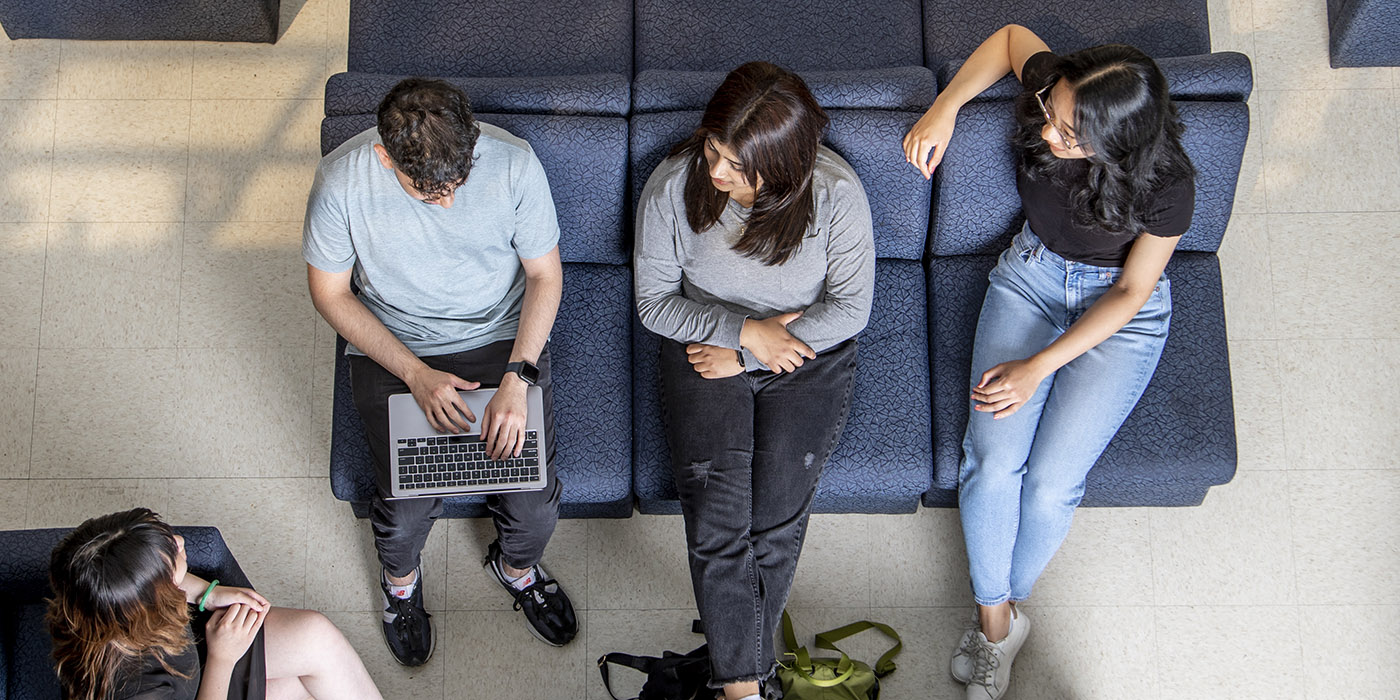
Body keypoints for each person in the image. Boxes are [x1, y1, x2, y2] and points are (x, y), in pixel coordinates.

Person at [904, 25, 1195, 700]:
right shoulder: (1050, 91)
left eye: (1068, 132)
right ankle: (996, 625)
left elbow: (1131, 292)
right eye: (1049, 113)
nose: (1045, 131)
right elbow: (1008, 37)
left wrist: (1038, 367)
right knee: (992, 462)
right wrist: (945, 105)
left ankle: (1001, 612)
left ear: (1116, 148)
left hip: (1122, 314)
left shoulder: (1169, 185)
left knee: (1051, 485)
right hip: (1032, 277)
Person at [303, 77, 577, 665]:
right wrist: (415, 373)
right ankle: (400, 589)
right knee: (401, 511)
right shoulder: (342, 181)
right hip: (397, 343)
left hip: (501, 338)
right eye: (428, 193)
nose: (448, 201)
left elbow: (545, 276)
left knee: (533, 505)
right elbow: (330, 295)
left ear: (473, 139)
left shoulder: (514, 165)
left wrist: (518, 377)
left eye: (458, 183)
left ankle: (516, 570)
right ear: (385, 157)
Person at [635, 61, 876, 700]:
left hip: (806, 354)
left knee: (773, 519)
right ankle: (749, 686)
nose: (717, 173)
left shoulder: (834, 194)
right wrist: (744, 334)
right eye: (714, 149)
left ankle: (736, 681)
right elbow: (654, 304)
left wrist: (755, 351)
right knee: (718, 519)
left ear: (787, 164)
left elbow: (851, 309)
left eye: (738, 166)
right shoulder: (671, 190)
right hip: (704, 346)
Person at [46, 508, 381, 700]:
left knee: (314, 637)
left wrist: (207, 592)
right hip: (202, 685)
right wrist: (223, 657)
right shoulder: (136, 690)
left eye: (167, 536)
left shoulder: (93, 589)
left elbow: (163, 581)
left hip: (193, 654)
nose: (180, 541)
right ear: (153, 602)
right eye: (173, 556)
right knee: (292, 689)